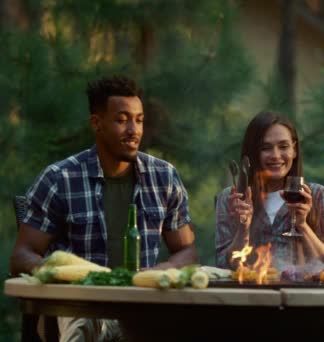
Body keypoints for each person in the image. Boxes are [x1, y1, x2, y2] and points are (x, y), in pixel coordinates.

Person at [9, 75, 198, 341]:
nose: (134, 130)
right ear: (97, 123)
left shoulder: (163, 177)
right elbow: (21, 256)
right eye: (122, 120)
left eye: (139, 119)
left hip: (142, 305)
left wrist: (163, 268)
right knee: (84, 326)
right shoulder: (59, 179)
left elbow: (187, 250)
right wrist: (61, 276)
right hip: (79, 305)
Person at [215, 111, 324, 270]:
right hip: (251, 292)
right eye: (265, 148)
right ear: (253, 152)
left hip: (301, 292)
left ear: (294, 150)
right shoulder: (233, 198)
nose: (275, 155)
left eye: (283, 146)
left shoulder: (317, 195)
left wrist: (302, 225)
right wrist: (243, 229)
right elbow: (223, 266)